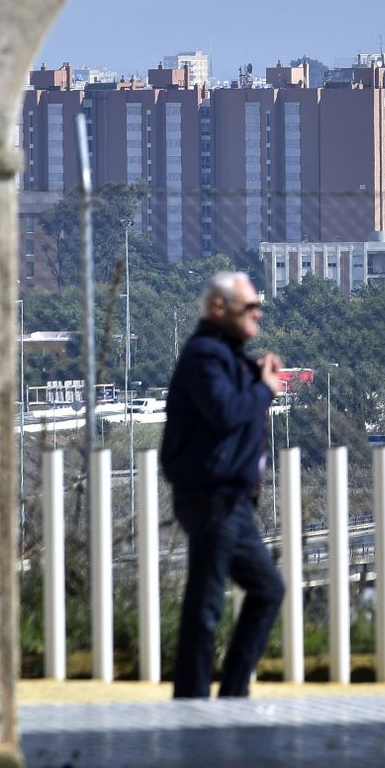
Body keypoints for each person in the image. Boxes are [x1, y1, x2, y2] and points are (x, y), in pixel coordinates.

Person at [161, 270, 287, 698]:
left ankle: (232, 692)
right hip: (210, 495)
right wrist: (264, 389)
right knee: (207, 600)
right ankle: (193, 698)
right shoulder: (203, 354)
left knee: (267, 589)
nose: (257, 314)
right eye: (249, 307)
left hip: (232, 499)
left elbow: (235, 402)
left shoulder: (225, 356)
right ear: (219, 309)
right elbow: (225, 411)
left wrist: (257, 374)